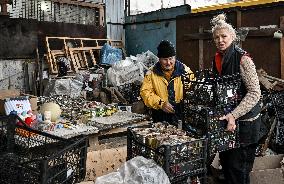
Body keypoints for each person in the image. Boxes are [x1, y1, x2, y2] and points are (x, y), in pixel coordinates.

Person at [211, 14, 261, 184]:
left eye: (224, 36)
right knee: (227, 167)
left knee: (239, 172)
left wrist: (234, 114)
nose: (220, 40)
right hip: (228, 124)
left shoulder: (243, 59)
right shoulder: (218, 58)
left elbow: (254, 93)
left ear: (232, 37)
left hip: (245, 125)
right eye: (216, 37)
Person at [140, 40, 194, 126]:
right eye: (165, 59)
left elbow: (193, 91)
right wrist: (160, 103)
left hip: (181, 115)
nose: (168, 62)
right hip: (160, 115)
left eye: (171, 58)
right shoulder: (151, 73)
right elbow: (145, 92)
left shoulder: (185, 71)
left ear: (174, 57)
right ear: (159, 59)